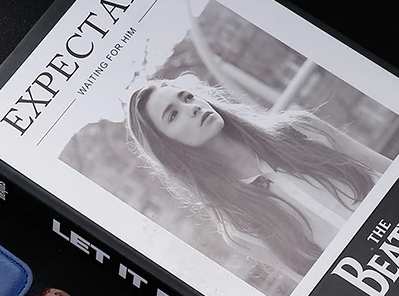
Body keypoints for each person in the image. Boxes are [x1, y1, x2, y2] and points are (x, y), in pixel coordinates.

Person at [124, 75, 392, 279]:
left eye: (187, 97)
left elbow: (389, 171)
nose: (191, 107)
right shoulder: (239, 229)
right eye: (173, 115)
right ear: (170, 148)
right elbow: (322, 285)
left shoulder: (300, 129)